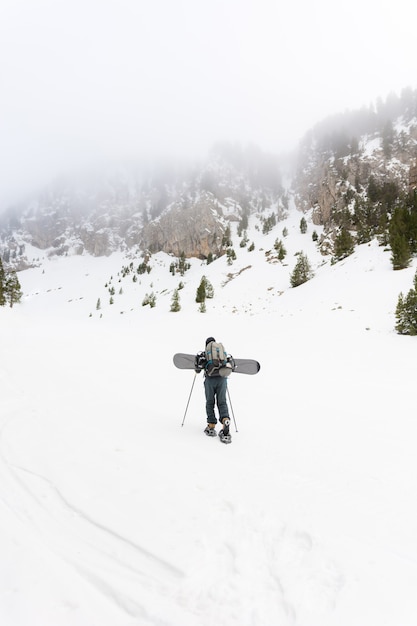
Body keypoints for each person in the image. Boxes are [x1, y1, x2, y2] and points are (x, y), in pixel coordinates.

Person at [194, 337, 232, 443]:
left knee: (210, 402)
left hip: (210, 380)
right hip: (222, 379)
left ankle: (211, 426)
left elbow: (198, 369)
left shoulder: (205, 354)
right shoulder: (221, 352)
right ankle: (225, 420)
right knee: (222, 402)